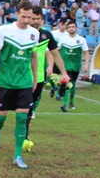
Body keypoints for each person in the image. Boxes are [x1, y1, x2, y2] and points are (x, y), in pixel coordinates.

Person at [0, 0, 38, 169]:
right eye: (23, 16)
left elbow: (33, 56)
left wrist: (34, 78)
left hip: (24, 82)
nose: (26, 20)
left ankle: (18, 155)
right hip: (5, 81)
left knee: (22, 117)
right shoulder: (5, 30)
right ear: (17, 14)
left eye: (29, 17)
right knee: (0, 118)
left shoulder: (34, 33)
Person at [23, 8, 68, 151]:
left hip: (38, 79)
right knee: (7, 111)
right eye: (33, 18)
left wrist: (63, 73)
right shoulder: (20, 32)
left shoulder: (46, 35)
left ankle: (24, 137)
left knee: (28, 110)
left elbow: (55, 54)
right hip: (20, 77)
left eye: (38, 19)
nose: (35, 22)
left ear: (42, 19)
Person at [57, 20, 89, 112]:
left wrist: (86, 64)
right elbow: (57, 51)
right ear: (67, 29)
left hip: (76, 66)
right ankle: (64, 105)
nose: (71, 28)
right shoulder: (63, 39)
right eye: (70, 27)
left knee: (73, 85)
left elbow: (86, 53)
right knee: (66, 84)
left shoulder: (81, 40)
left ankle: (71, 101)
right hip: (65, 66)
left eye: (73, 27)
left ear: (76, 28)